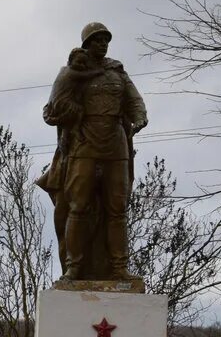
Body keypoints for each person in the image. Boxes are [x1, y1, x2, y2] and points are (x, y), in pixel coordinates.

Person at [43, 22, 147, 281]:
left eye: (105, 40)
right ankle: (74, 267)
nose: (103, 44)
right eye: (97, 40)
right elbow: (55, 105)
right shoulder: (72, 71)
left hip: (115, 143)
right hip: (84, 143)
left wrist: (140, 116)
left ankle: (119, 267)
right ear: (87, 43)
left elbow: (133, 98)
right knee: (78, 206)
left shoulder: (117, 71)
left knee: (117, 209)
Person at [36, 47, 105, 271]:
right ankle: (70, 267)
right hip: (67, 162)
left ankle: (92, 267)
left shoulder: (102, 86)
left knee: (96, 219)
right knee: (64, 218)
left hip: (95, 158)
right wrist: (60, 119)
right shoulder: (67, 80)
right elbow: (49, 110)